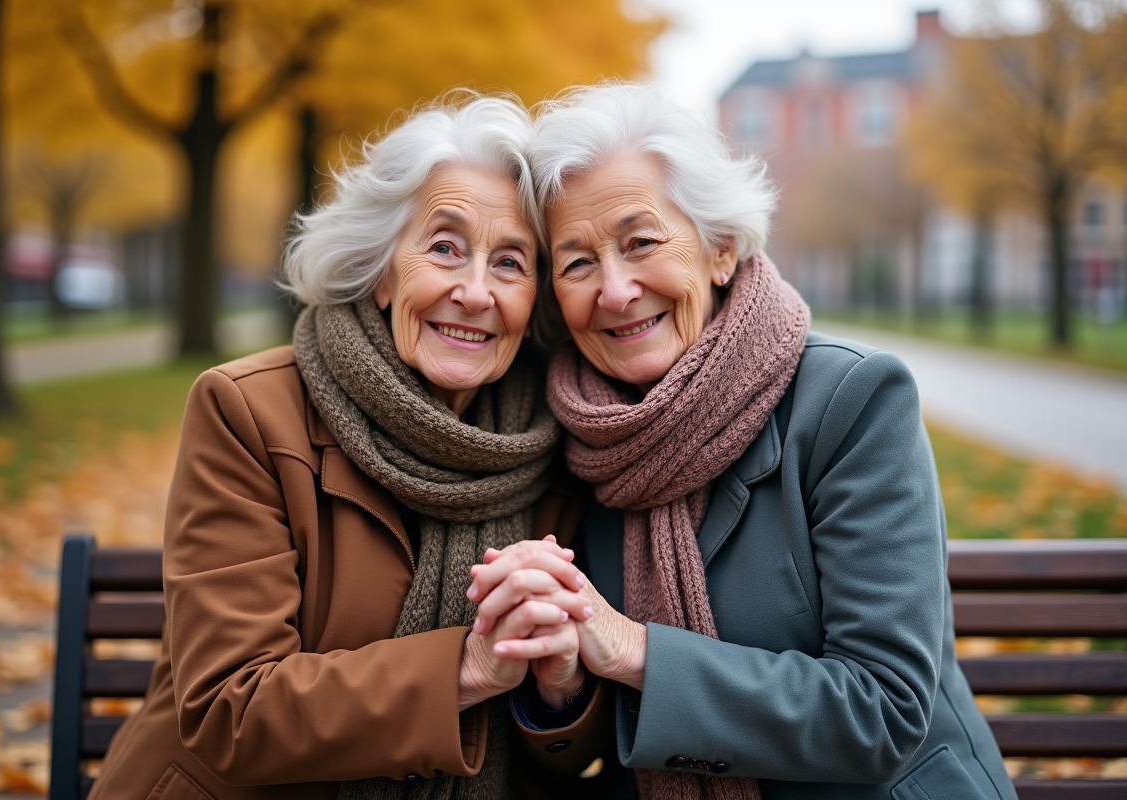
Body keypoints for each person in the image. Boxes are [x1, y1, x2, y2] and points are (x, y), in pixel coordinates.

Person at [469, 83, 1018, 799]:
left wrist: (636, 652)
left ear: (719, 248)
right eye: (577, 263)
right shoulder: (579, 438)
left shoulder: (850, 403)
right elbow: (594, 747)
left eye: (640, 242)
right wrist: (564, 683)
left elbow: (887, 711)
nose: (614, 289)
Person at [88, 94, 590, 800]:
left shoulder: (553, 447)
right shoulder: (249, 413)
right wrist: (469, 667)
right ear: (382, 269)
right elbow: (231, 711)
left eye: (510, 263)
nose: (475, 292)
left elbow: (566, 756)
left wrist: (560, 683)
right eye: (444, 247)